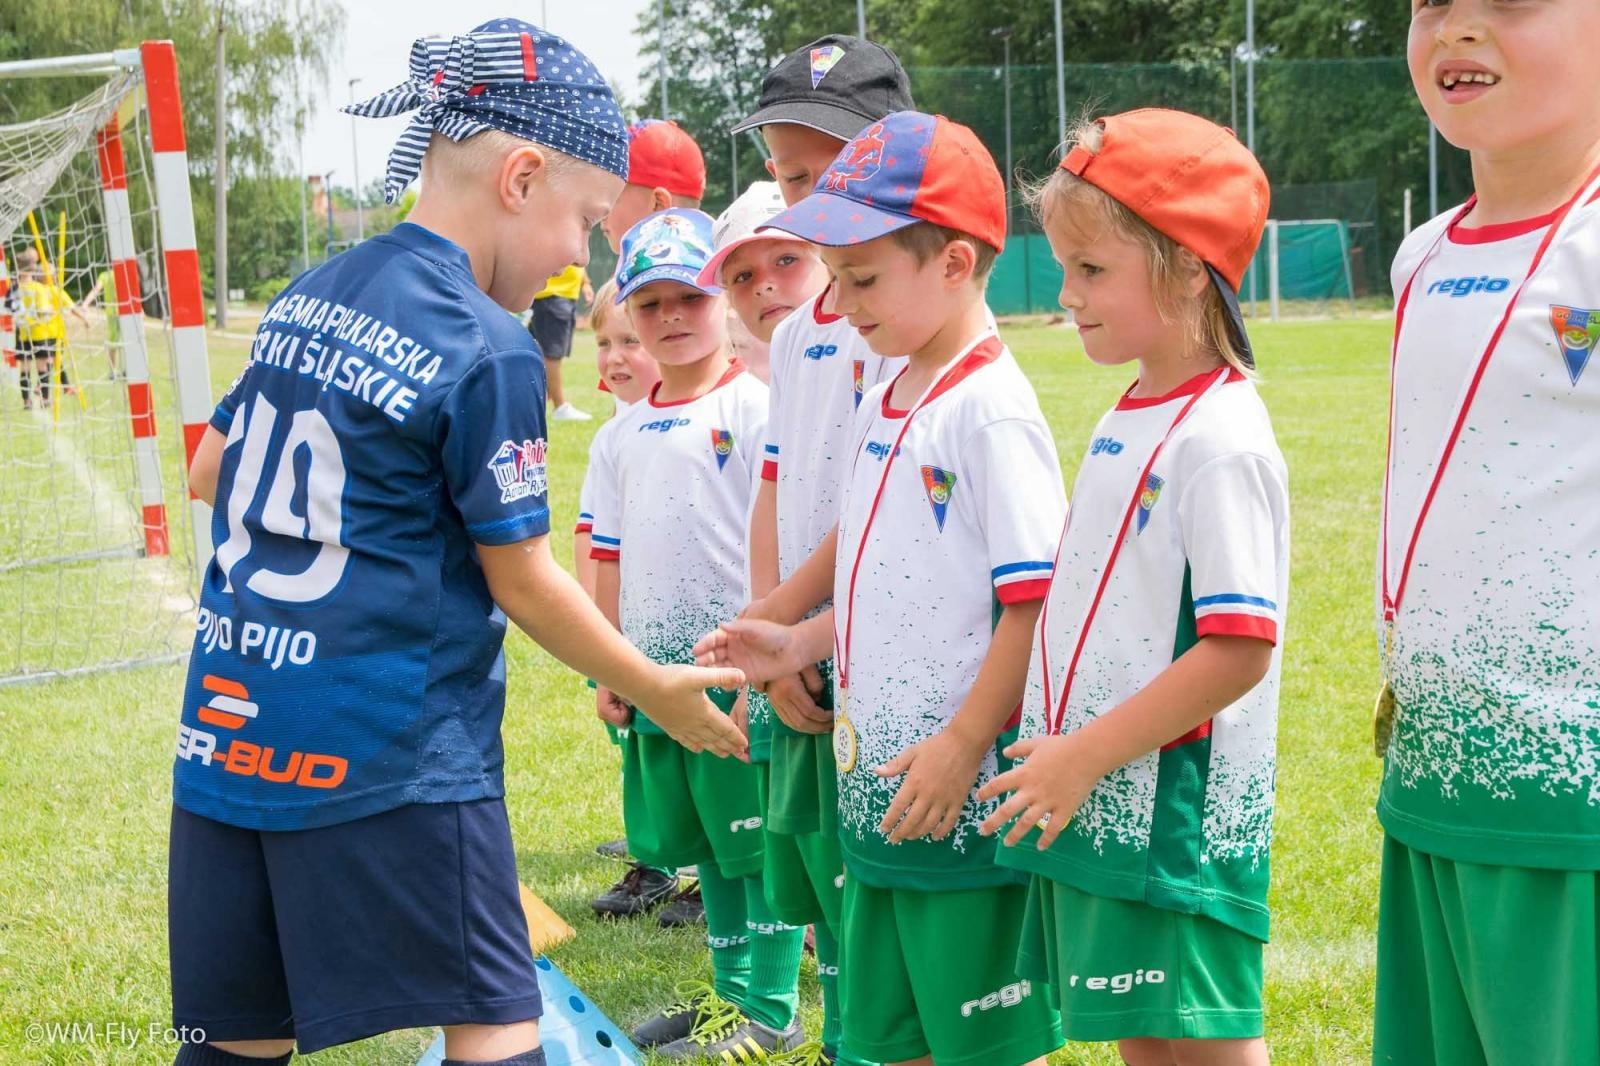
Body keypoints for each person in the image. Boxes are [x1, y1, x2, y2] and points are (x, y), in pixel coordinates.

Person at [167, 21, 744, 1066]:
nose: (581, 261)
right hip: (392, 752)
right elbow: (521, 580)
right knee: (493, 1018)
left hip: (227, 735)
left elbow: (210, 474)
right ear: (521, 176)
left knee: (236, 1035)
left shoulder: (309, 292)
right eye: (585, 222)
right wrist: (652, 686)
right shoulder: (486, 346)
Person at [710, 109, 1069, 1066]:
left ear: (954, 263)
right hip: (876, 791)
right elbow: (873, 562)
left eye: (863, 278)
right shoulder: (889, 393)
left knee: (984, 1045)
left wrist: (963, 743)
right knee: (892, 1037)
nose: (842, 300)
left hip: (960, 800)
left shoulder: (989, 413)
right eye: (836, 276)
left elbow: (1034, 605)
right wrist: (792, 639)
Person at [970, 110, 1285, 1066]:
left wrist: (1083, 755)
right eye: (1063, 267)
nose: (1066, 294)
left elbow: (1239, 646)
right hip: (1107, 797)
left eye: (1092, 270)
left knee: (1195, 1043)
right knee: (1139, 1042)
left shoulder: (1220, 437)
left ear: (1191, 266)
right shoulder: (1134, 407)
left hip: (1169, 823)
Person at [1367, 3, 1600, 1064]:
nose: (1455, 27)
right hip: (1434, 780)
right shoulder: (1420, 256)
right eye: (1428, 3)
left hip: (1570, 802)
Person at [719, 38, 918, 1066]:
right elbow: (776, 487)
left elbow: (881, 504)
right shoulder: (799, 332)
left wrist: (800, 633)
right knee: (817, 880)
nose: (805, 195)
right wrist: (768, 629)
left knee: (883, 891)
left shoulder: (906, 328)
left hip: (867, 649)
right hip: (797, 643)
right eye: (791, 176)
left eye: (827, 172)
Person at [588, 208, 804, 1060]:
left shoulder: (756, 408)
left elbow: (779, 544)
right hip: (657, 680)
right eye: (650, 304)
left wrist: (763, 659)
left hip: (733, 677)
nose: (671, 317)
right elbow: (607, 555)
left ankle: (773, 1009)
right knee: (708, 849)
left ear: (722, 300)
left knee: (757, 848)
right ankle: (728, 998)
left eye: (691, 296)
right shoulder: (621, 433)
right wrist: (608, 665)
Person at [570, 278, 679, 918]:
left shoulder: (678, 427)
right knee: (638, 748)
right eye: (605, 342)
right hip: (616, 628)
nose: (614, 357)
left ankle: (675, 860)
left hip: (666, 629)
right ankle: (656, 854)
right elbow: (595, 540)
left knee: (684, 752)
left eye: (630, 343)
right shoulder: (615, 433)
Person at [599, 119, 705, 254]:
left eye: (611, 196)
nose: (600, 209)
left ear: (658, 204)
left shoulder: (663, 273)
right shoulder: (712, 267)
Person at [13, 247, 87, 408]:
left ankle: (27, 401)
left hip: (23, 333)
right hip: (42, 332)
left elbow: (10, 310)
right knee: (45, 364)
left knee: (25, 368)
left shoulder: (15, 288)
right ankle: (46, 397)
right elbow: (45, 311)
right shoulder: (41, 289)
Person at [530, 262, 593, 421]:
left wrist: (585, 283)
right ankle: (560, 407)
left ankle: (544, 401)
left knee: (551, 351)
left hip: (564, 294)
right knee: (552, 353)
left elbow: (577, 254)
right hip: (551, 294)